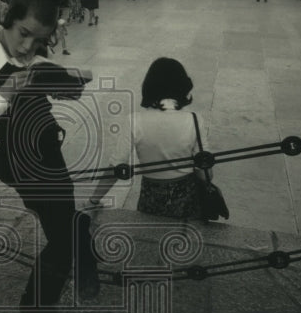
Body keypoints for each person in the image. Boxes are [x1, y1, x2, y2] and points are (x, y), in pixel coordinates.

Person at [0, 0, 99, 312]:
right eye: (24, 33)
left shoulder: (33, 59)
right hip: (18, 160)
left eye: (38, 41)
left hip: (50, 150)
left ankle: (66, 267)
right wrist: (6, 91)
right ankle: (41, 300)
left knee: (62, 225)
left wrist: (67, 84)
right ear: (7, 16)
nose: (27, 47)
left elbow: (49, 76)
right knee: (64, 233)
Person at [89, 57, 213, 220]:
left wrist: (94, 199)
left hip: (151, 197)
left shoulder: (134, 120)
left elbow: (116, 167)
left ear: (148, 86)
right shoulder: (195, 120)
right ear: (183, 86)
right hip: (187, 199)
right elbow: (205, 175)